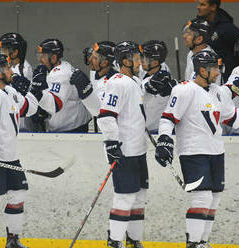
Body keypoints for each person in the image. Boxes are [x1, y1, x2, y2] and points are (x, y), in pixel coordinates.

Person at [154, 50, 239, 248]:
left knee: (215, 198)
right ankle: (193, 243)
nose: (218, 72)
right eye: (214, 68)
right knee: (202, 197)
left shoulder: (218, 92)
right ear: (202, 70)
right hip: (193, 151)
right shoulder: (184, 90)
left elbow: (233, 120)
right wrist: (164, 140)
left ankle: (202, 242)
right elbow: (168, 117)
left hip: (216, 151)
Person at [0, 53, 56, 248]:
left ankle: (12, 240)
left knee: (18, 195)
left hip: (10, 156)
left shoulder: (10, 91)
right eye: (7, 68)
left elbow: (30, 108)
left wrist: (36, 88)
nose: (11, 71)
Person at [97, 41, 148, 248]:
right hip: (124, 151)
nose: (140, 62)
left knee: (139, 198)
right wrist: (111, 144)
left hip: (139, 150)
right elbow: (106, 116)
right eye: (136, 58)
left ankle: (134, 241)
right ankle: (115, 241)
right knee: (124, 198)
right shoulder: (117, 82)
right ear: (126, 60)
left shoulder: (134, 81)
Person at [34, 38, 92, 132]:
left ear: (53, 57)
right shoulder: (61, 67)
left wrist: (36, 93)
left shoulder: (61, 74)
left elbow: (55, 105)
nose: (40, 59)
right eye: (39, 55)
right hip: (69, 128)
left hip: (72, 130)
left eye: (43, 56)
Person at [196, 0, 239, 81]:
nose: (198, 7)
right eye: (199, 4)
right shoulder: (204, 25)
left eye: (202, 4)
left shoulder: (227, 28)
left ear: (213, 7)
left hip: (227, 81)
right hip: (210, 79)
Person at [0, 32, 34, 131]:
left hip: (20, 123)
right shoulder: (12, 66)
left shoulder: (23, 69)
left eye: (3, 49)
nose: (0, 52)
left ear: (14, 52)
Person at [70, 41, 117, 116]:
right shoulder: (99, 71)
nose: (90, 60)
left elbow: (99, 112)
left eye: (95, 58)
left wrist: (86, 90)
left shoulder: (112, 83)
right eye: (91, 56)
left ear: (105, 62)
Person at [139, 40, 177, 133]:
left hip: (160, 131)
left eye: (145, 58)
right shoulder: (145, 74)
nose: (141, 61)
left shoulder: (164, 80)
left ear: (155, 63)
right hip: (145, 131)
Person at [183, 17, 222, 85]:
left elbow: (210, 91)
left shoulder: (209, 60)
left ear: (199, 39)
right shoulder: (191, 53)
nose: (184, 36)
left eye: (189, 34)